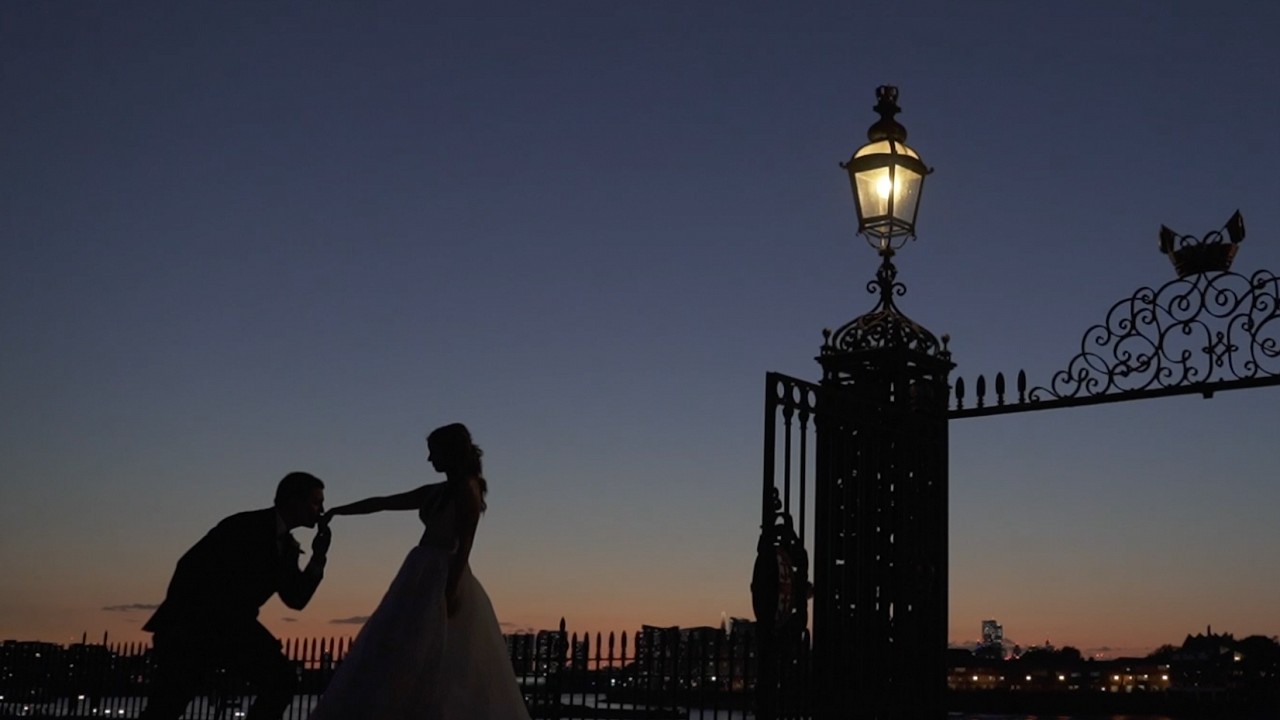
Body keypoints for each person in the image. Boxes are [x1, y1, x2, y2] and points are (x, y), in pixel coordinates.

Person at [309, 423, 530, 720]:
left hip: (444, 572)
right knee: (403, 647)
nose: (429, 460)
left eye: (433, 453)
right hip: (422, 570)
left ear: (449, 452)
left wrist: (451, 589)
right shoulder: (437, 491)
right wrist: (339, 511)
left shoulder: (468, 489)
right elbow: (384, 503)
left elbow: (465, 543)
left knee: (439, 650)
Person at [141, 471, 332, 720]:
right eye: (316, 502)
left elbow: (296, 599)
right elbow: (190, 566)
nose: (321, 509)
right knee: (169, 703)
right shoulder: (245, 526)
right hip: (194, 626)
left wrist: (318, 558)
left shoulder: (286, 546)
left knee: (281, 680)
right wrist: (198, 616)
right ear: (294, 502)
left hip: (229, 628)